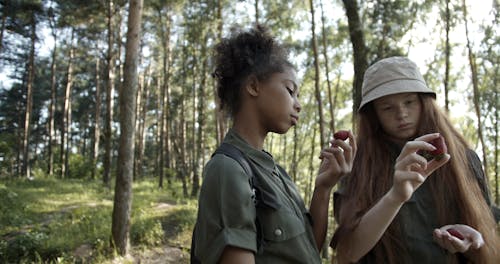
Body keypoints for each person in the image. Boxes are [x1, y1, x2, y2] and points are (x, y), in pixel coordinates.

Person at [192, 24, 355, 263]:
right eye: (290, 90)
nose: (298, 104)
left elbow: (307, 250)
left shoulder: (276, 173)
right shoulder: (228, 170)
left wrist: (323, 190)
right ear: (254, 86)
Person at [330, 56, 500, 264]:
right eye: (387, 107)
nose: (401, 113)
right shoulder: (357, 166)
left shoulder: (464, 159)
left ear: (424, 103)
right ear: (373, 114)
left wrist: (473, 240)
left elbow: (487, 241)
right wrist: (395, 196)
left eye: (409, 101)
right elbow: (347, 254)